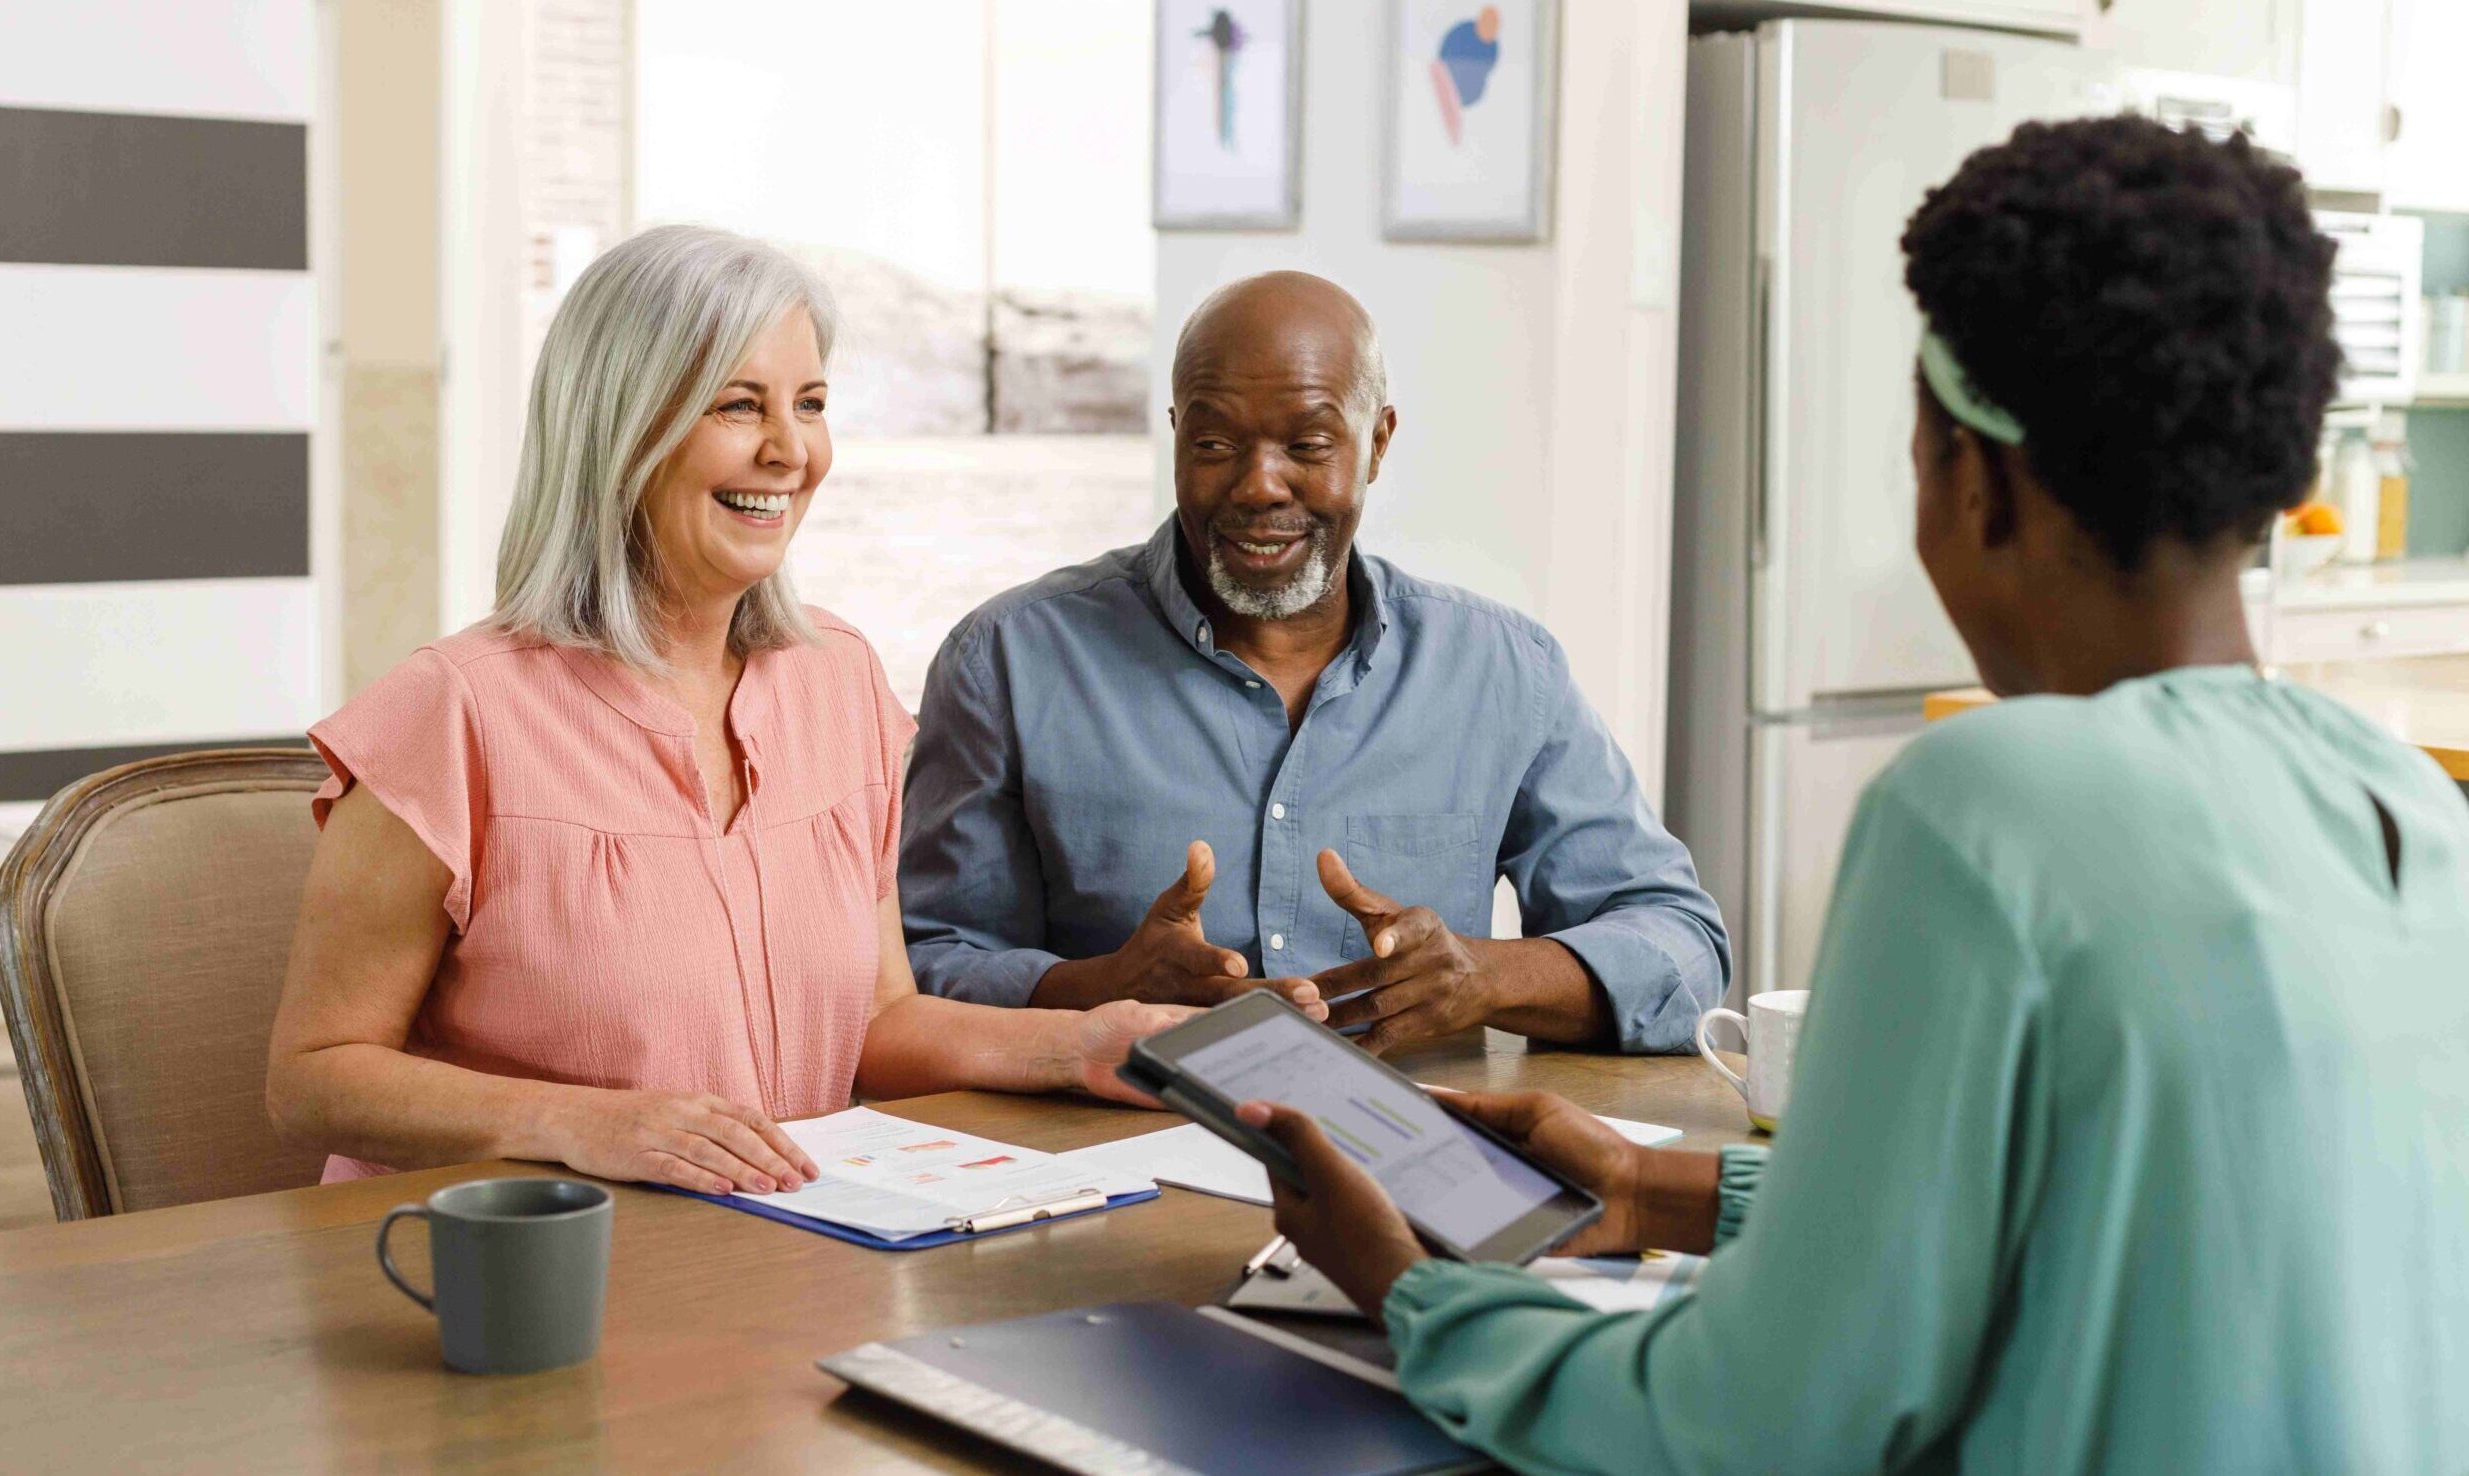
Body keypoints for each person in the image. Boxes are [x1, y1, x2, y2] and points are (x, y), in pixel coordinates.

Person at [1238, 117, 2469, 1472]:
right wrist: (1660, 1183)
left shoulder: (1989, 811)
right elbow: (2150, 1221)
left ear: (1976, 477)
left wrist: (1416, 1295)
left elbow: (1757, 1422)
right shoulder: (2402, 804)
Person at [265, 227, 1239, 1197]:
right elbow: (312, 1077)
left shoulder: (839, 679)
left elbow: (876, 1020)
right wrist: (575, 1123)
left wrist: (1081, 1045)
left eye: (809, 404)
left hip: (779, 1246)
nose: (790, 451)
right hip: (511, 1272)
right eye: (739, 406)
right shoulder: (452, 712)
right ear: (622, 429)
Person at [901, 272, 1728, 1054]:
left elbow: (1679, 942)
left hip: (1415, 1155)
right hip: (1105, 1160)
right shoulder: (1009, 661)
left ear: (1377, 443)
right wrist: (1092, 990)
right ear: (1176, 436)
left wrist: (1486, 977)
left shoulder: (1503, 671)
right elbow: (912, 968)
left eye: (1307, 443)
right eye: (1217, 441)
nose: (1260, 486)